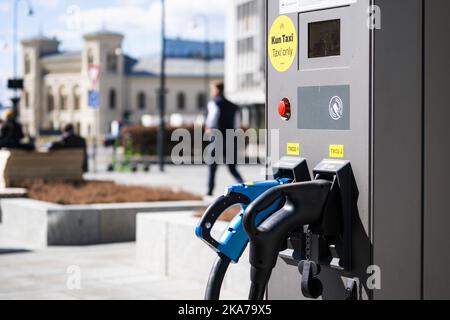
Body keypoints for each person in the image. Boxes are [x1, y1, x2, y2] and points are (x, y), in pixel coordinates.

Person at [205, 81, 244, 196]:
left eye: (212, 89)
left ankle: (209, 191)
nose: (211, 92)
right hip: (230, 138)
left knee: (212, 166)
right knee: (232, 168)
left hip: (217, 137)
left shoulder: (214, 104)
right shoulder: (234, 106)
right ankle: (243, 186)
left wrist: (208, 129)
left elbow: (212, 118)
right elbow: (237, 124)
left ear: (217, 90)